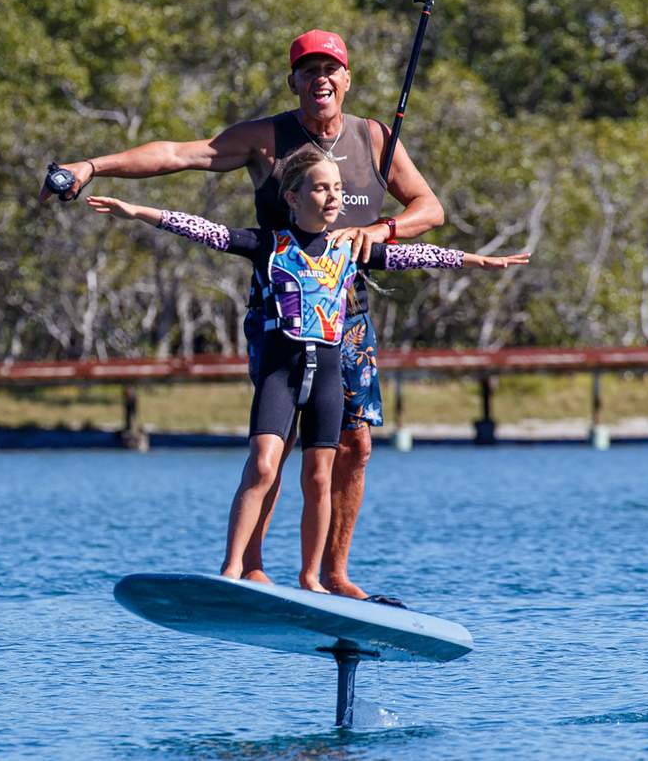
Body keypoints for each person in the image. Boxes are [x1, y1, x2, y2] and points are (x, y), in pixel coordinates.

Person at [42, 29, 445, 600]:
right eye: (308, 71)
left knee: (355, 446)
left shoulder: (375, 137)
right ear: (294, 82)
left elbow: (431, 208)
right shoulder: (267, 139)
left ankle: (332, 574)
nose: (320, 79)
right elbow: (181, 155)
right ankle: (251, 565)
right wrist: (93, 165)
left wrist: (382, 230)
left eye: (331, 69)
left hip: (345, 315)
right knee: (273, 445)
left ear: (348, 79)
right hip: (278, 313)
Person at [86, 147, 528, 592]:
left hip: (328, 377)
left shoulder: (350, 248)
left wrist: (478, 261)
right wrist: (137, 211)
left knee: (319, 478)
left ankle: (310, 578)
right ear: (294, 197)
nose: (333, 197)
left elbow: (418, 256)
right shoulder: (269, 245)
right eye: (321, 188)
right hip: (282, 371)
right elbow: (205, 231)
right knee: (262, 466)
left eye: (337, 188)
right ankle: (232, 570)